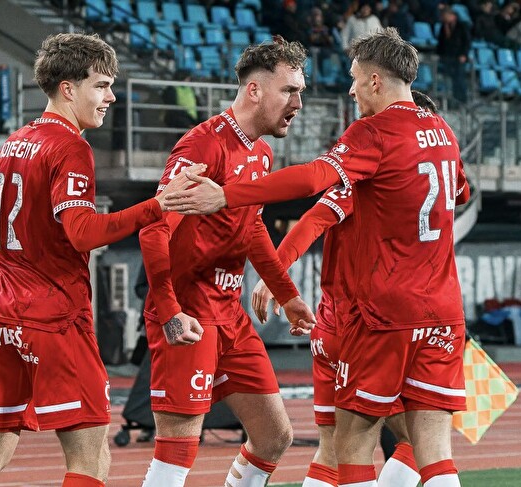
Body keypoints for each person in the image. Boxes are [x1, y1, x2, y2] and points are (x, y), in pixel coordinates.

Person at [165, 28, 470, 487]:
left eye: (354, 79)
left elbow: (313, 188)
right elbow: (460, 191)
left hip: (373, 316)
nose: (350, 90)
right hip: (443, 312)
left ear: (374, 80)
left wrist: (226, 195)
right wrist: (282, 284)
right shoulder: (444, 133)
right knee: (434, 451)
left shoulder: (372, 135)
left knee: (347, 445)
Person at [0, 32, 204, 487]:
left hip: (1, 314)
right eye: (101, 85)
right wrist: (159, 204)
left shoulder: (15, 141)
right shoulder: (69, 146)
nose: (111, 97)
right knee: (90, 459)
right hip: (54, 316)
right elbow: (83, 233)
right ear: (68, 88)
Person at [138, 36, 316, 487]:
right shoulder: (203, 146)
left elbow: (251, 227)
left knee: (274, 436)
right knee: (178, 449)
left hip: (230, 315)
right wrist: (170, 311)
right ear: (254, 90)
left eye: (300, 92)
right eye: (289, 91)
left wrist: (287, 294)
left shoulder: (262, 151)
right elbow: (154, 228)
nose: (298, 103)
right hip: (189, 313)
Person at [251, 90, 439, 487]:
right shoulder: (383, 185)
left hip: (330, 329)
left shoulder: (362, 180)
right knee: (416, 440)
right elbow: (460, 190)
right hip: (374, 328)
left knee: (332, 449)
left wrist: (276, 276)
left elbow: (311, 221)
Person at [436, 7, 471, 104]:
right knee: (449, 80)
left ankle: (462, 100)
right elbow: (441, 42)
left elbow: (466, 41)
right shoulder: (443, 27)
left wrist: (464, 54)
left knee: (459, 79)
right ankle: (452, 101)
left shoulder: (462, 26)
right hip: (447, 56)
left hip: (458, 56)